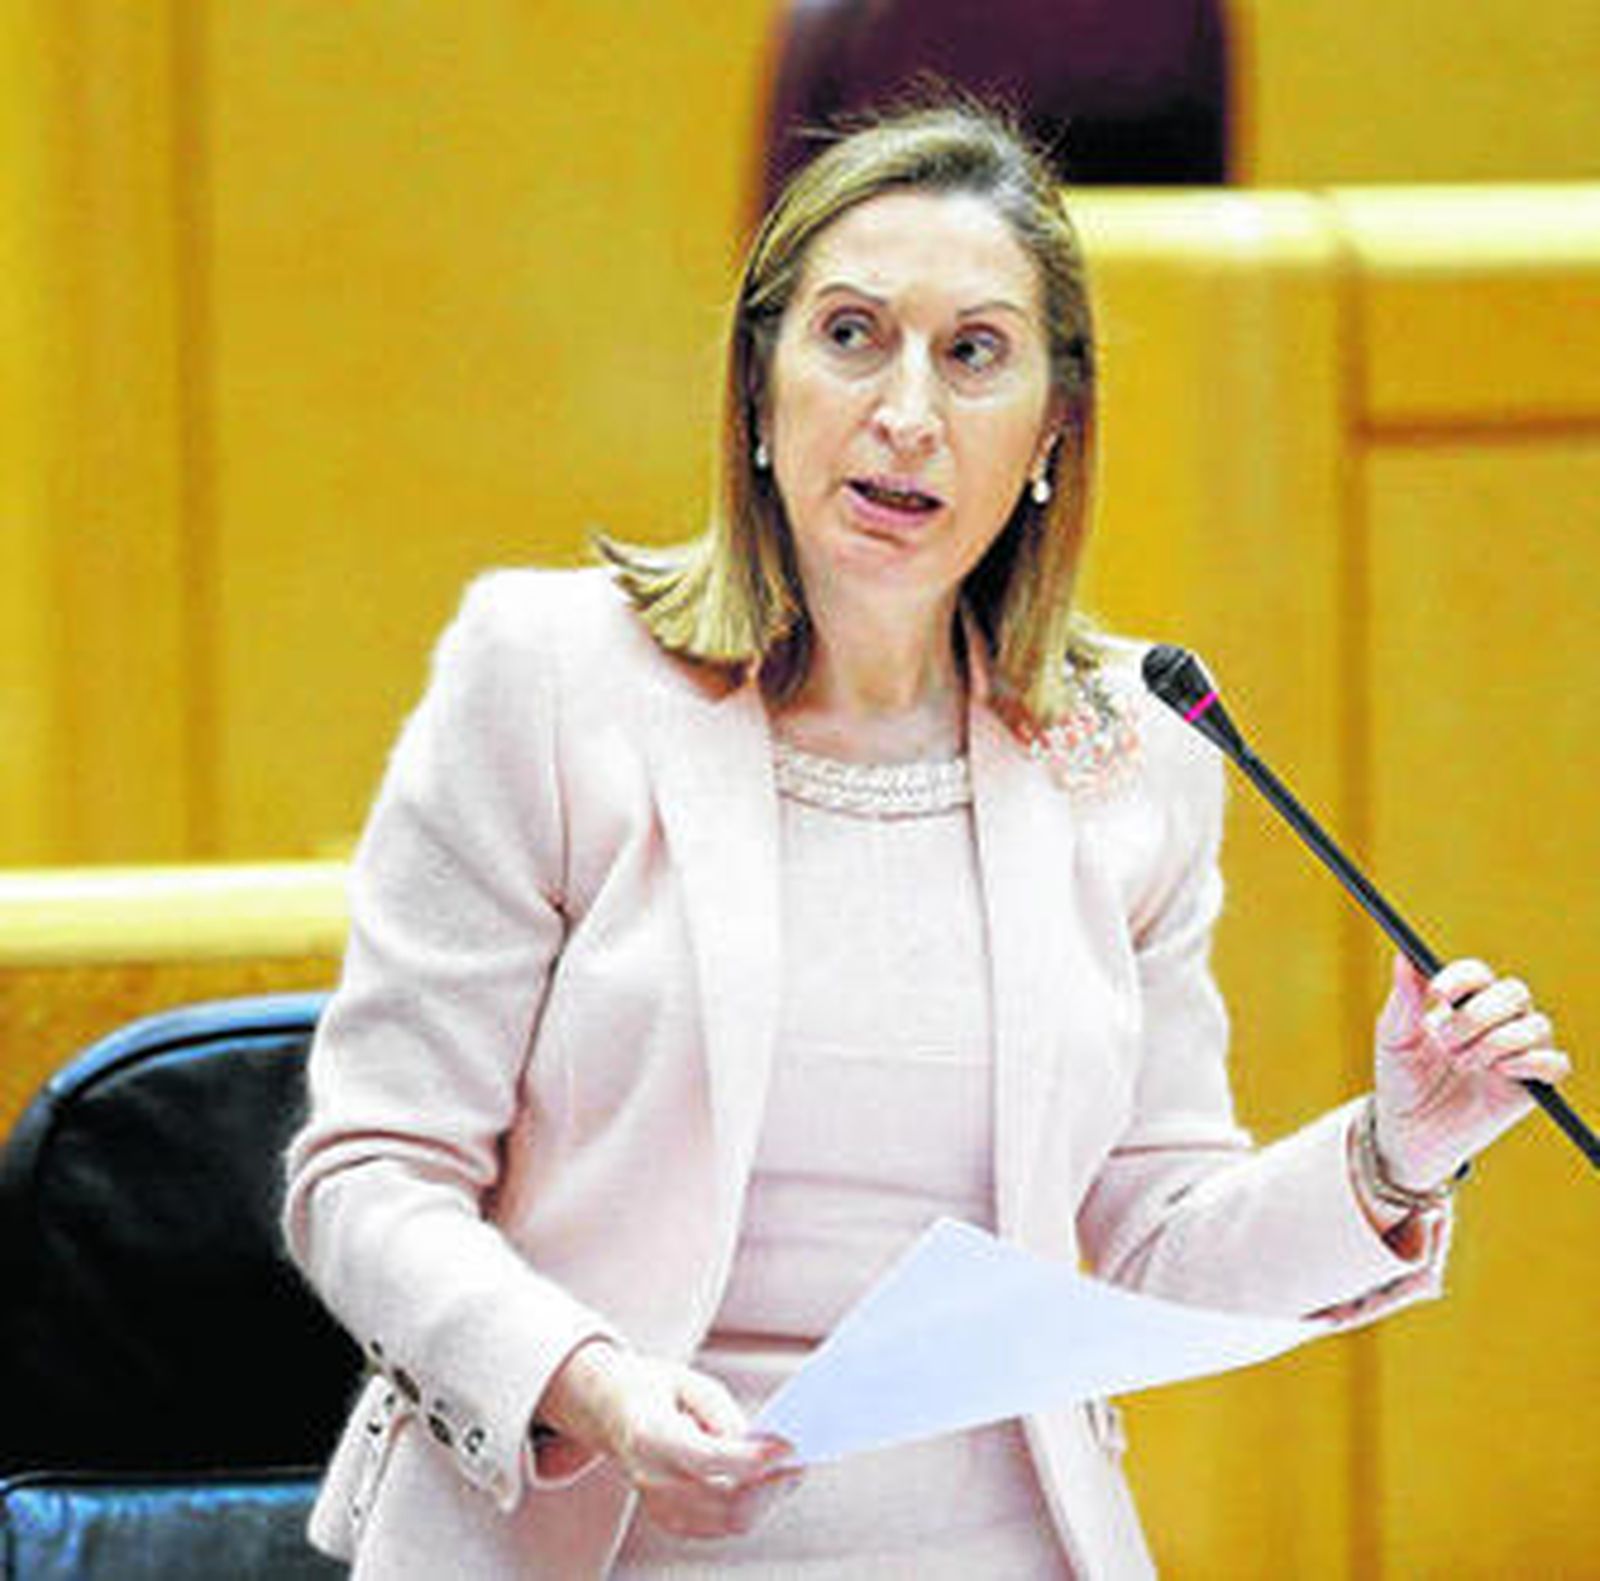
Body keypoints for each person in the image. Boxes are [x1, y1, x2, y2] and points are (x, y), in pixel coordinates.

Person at [283, 100, 1571, 1579]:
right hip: (592, 1529)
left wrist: (1396, 1153)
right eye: (850, 336)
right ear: (757, 389)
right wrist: (595, 1385)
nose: (906, 411)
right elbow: (367, 1176)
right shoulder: (549, 679)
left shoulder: (1131, 750)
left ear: (1048, 431)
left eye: (974, 355)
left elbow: (1158, 1241)